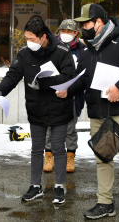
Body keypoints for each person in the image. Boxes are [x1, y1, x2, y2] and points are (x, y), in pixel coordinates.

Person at [56, 4, 119, 222]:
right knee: (103, 159)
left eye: (86, 23)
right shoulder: (88, 49)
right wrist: (67, 90)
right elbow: (82, 78)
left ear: (99, 22)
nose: (83, 28)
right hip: (99, 114)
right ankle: (105, 203)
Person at [0, 18, 75, 204]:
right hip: (36, 108)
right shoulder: (24, 53)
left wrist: (44, 83)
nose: (29, 42)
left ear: (43, 37)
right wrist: (0, 90)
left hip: (59, 107)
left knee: (59, 149)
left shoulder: (62, 51)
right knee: (37, 149)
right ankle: (35, 186)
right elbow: (13, 75)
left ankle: (60, 186)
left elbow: (69, 76)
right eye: (26, 38)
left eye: (32, 39)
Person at [43, 19, 85, 173]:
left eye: (70, 31)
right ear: (59, 31)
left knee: (70, 128)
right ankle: (49, 155)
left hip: (73, 94)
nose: (66, 34)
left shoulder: (82, 49)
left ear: (76, 33)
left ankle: (70, 157)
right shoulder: (51, 46)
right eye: (64, 31)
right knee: (49, 125)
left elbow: (84, 73)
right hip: (52, 92)